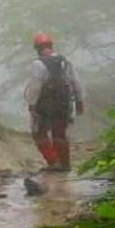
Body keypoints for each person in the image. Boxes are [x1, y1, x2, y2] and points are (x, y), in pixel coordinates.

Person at [24, 33, 84, 172]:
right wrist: (80, 101)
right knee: (60, 134)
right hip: (64, 104)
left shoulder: (38, 63)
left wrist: (31, 104)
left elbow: (35, 86)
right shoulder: (65, 62)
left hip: (44, 105)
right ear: (51, 45)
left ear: (37, 48)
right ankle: (65, 164)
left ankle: (54, 161)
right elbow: (76, 82)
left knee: (39, 133)